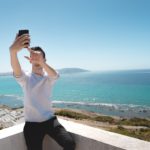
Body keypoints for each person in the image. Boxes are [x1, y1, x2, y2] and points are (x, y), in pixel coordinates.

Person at [9, 32, 76, 150]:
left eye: (39, 57)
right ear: (29, 60)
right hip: (32, 125)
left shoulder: (48, 77)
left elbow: (55, 75)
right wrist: (13, 52)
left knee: (69, 144)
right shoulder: (26, 78)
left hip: (51, 122)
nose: (36, 59)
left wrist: (41, 62)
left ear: (45, 59)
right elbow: (17, 70)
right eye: (33, 57)